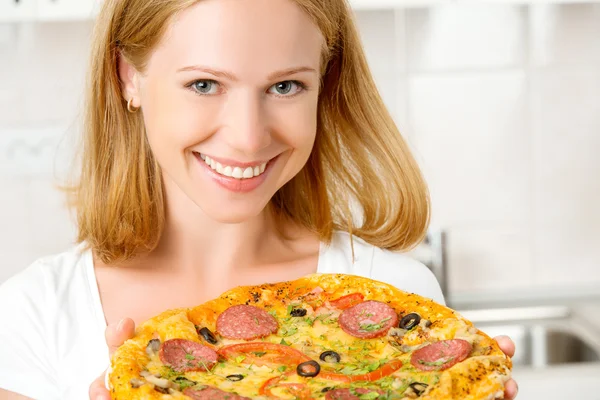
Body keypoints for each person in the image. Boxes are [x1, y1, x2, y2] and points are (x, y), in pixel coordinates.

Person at [0, 0, 518, 399]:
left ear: (325, 85)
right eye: (204, 84)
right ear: (128, 77)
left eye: (286, 86)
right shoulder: (31, 318)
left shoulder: (396, 294)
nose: (248, 137)